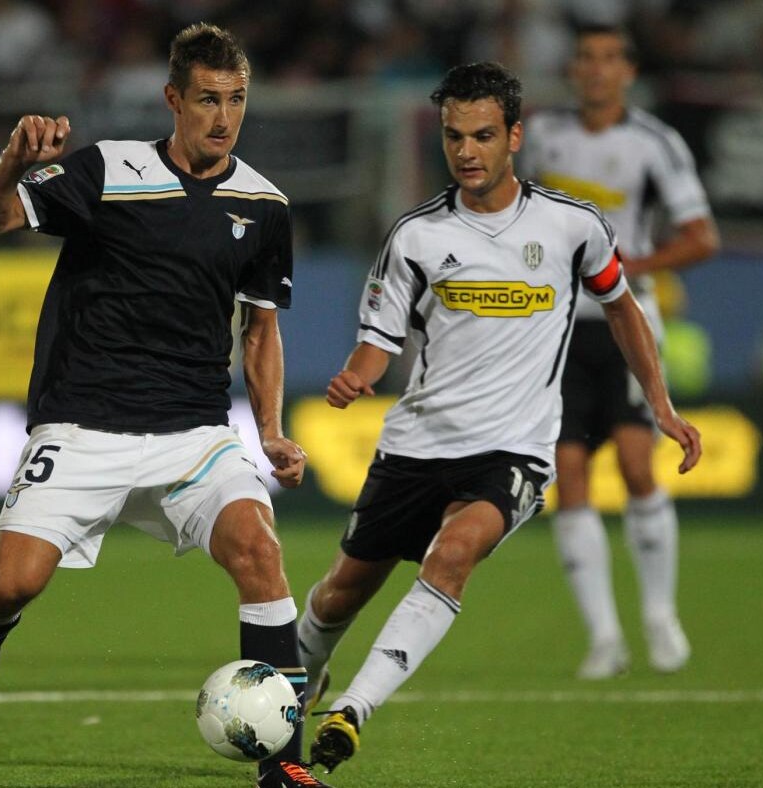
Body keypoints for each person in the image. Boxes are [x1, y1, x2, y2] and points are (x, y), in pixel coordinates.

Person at [0, 23, 333, 788]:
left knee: (260, 551)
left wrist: (271, 429)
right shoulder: (108, 170)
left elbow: (260, 331)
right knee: (11, 583)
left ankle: (283, 764)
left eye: (237, 99)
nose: (224, 116)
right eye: (208, 99)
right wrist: (15, 160)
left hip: (194, 432)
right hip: (84, 424)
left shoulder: (263, 204)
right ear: (173, 99)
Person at [294, 62, 702, 774]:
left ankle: (352, 710)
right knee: (341, 592)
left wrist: (661, 404)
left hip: (514, 450)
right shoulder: (416, 237)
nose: (467, 152)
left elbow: (623, 307)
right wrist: (356, 377)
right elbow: (380, 338)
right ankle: (301, 678)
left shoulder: (573, 227)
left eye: (482, 135)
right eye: (454, 137)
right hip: (417, 443)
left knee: (453, 558)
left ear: (514, 136)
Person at [516, 24, 720, 679]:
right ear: (572, 69)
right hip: (560, 328)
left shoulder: (654, 143)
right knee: (568, 474)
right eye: (585, 58)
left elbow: (702, 237)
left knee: (637, 464)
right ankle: (604, 637)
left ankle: (659, 615)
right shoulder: (543, 137)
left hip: (628, 318)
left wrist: (636, 264)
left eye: (609, 59)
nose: (596, 70)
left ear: (628, 71)